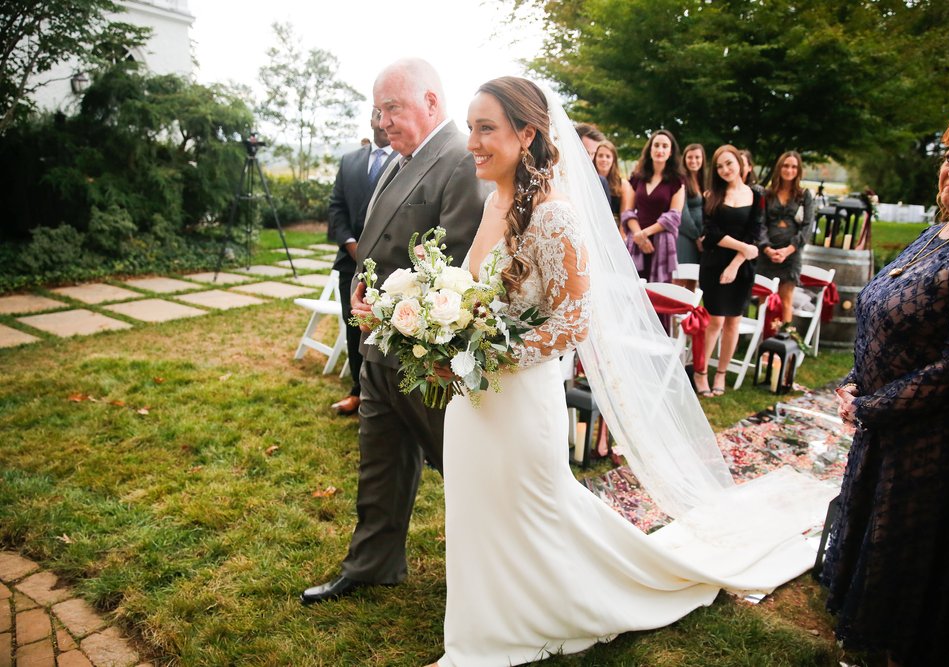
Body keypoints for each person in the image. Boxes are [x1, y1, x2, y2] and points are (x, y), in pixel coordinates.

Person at [422, 76, 834, 667]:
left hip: (517, 393)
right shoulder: (495, 202)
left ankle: (536, 617)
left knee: (534, 505)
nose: (472, 142)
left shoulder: (555, 217)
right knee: (478, 504)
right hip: (475, 390)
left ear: (527, 132)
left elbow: (571, 321)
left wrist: (489, 355)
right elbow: (469, 289)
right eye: (471, 127)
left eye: (486, 128)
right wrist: (432, 326)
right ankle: (487, 607)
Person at [300, 58, 490, 605]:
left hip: (422, 353)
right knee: (378, 460)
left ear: (432, 102)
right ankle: (372, 564)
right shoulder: (398, 160)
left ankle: (488, 576)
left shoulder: (459, 159)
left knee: (460, 466)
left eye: (393, 107)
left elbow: (455, 261)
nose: (382, 121)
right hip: (380, 347)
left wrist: (387, 310)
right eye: (378, 109)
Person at [824, 106, 949, 666]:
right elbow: (889, 316)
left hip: (939, 436)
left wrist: (875, 404)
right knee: (878, 530)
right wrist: (858, 379)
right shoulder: (939, 231)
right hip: (892, 423)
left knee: (912, 552)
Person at [326, 108, 395, 416]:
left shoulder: (406, 161)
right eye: (377, 114)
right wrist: (352, 246)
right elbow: (336, 206)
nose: (384, 121)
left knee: (388, 327)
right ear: (371, 121)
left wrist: (372, 252)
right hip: (349, 263)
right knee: (353, 326)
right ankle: (357, 390)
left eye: (389, 113)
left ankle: (385, 394)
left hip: (390, 265)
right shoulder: (350, 161)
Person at [695, 145, 763, 397]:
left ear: (739, 163)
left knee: (733, 321)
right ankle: (700, 373)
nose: (725, 169)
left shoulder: (756, 195)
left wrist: (736, 264)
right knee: (714, 320)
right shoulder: (710, 195)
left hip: (741, 267)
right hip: (714, 263)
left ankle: (721, 374)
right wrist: (744, 247)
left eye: (729, 163)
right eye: (720, 166)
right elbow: (711, 233)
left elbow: (755, 234)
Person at [758, 151, 815, 325]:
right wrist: (767, 249)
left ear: (798, 171)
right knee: (763, 300)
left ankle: (781, 345)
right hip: (768, 251)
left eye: (793, 167)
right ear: (779, 168)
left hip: (791, 253)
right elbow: (760, 224)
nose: (789, 170)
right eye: (785, 166)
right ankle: (762, 342)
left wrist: (789, 250)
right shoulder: (767, 194)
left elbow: (807, 226)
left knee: (786, 300)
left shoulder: (804, 195)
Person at [623, 130, 685, 283]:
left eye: (665, 146)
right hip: (637, 243)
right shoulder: (637, 177)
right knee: (634, 292)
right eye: (656, 145)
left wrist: (645, 234)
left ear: (670, 152)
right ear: (650, 149)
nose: (660, 150)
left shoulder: (677, 181)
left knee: (657, 294)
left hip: (660, 244)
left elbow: (674, 216)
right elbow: (628, 212)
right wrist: (639, 236)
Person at [677, 143, 707, 288]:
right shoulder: (681, 180)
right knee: (681, 279)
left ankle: (689, 312)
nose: (694, 161)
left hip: (701, 238)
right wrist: (696, 237)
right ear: (684, 159)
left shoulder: (704, 181)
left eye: (697, 157)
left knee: (693, 281)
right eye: (690, 157)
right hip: (686, 236)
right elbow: (682, 213)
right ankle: (674, 311)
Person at [593, 139, 634, 233]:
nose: (604, 159)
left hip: (615, 230)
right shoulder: (588, 181)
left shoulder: (623, 184)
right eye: (600, 156)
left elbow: (624, 215)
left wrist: (622, 238)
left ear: (613, 160)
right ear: (595, 158)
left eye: (608, 156)